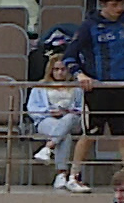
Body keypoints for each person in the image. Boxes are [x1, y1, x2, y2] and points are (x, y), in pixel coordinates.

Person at [65, 0, 124, 187]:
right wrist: (80, 74)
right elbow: (69, 56)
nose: (118, 9)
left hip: (122, 88)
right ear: (103, 4)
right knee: (89, 135)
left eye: (121, 4)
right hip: (97, 89)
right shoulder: (89, 26)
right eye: (113, 5)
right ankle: (73, 177)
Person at [28, 59, 86, 191]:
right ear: (51, 70)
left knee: (69, 119)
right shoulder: (40, 87)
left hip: (71, 120)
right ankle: (61, 175)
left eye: (63, 69)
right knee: (65, 136)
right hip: (46, 119)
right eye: (56, 69)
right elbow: (32, 109)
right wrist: (49, 112)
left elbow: (82, 107)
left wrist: (67, 111)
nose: (60, 73)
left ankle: (48, 147)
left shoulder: (76, 87)